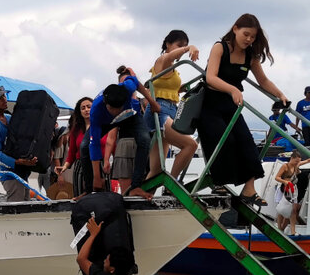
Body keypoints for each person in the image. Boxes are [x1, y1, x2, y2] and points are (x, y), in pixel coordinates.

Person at [196, 13, 288, 207]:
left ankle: (249, 189)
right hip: (210, 103)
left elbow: (262, 81)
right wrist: (232, 89)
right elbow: (210, 77)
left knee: (247, 142)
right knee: (224, 139)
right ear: (235, 28)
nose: (249, 39)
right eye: (246, 34)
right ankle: (219, 182)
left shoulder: (250, 56)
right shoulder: (220, 47)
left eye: (253, 37)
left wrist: (281, 95)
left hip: (231, 105)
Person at [86, 68, 160, 199]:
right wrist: (97, 177)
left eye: (117, 108)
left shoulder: (128, 87)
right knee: (84, 146)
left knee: (144, 140)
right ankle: (88, 189)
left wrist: (152, 102)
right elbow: (95, 145)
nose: (115, 111)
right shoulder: (96, 112)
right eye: (112, 108)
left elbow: (137, 82)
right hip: (106, 121)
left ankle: (136, 186)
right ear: (105, 104)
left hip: (129, 115)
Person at [143, 30, 200, 183]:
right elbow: (169, 56)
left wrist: (182, 88)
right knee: (190, 145)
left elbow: (168, 88)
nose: (182, 48)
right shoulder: (163, 60)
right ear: (168, 44)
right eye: (179, 45)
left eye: (185, 46)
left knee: (155, 170)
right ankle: (172, 183)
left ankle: (141, 198)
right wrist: (190, 48)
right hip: (160, 109)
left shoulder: (173, 68)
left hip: (170, 109)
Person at [0, 85, 38, 201]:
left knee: (26, 210)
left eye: (4, 95)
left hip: (22, 174)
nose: (4, 99)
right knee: (16, 212)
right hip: (11, 177)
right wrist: (17, 162)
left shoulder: (9, 118)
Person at [274, 152, 310, 234]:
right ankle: (280, 228)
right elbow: (277, 177)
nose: (297, 163)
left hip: (292, 189)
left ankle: (291, 231)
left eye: (298, 161)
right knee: (281, 209)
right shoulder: (285, 166)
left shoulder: (296, 165)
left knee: (293, 210)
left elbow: (307, 161)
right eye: (296, 161)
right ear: (291, 158)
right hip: (285, 189)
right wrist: (285, 181)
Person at [62, 97, 93, 195]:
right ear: (79, 112)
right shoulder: (76, 130)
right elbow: (71, 153)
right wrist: (64, 167)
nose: (86, 110)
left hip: (99, 165)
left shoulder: (102, 126)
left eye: (89, 107)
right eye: (83, 108)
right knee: (81, 198)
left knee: (101, 199)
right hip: (80, 167)